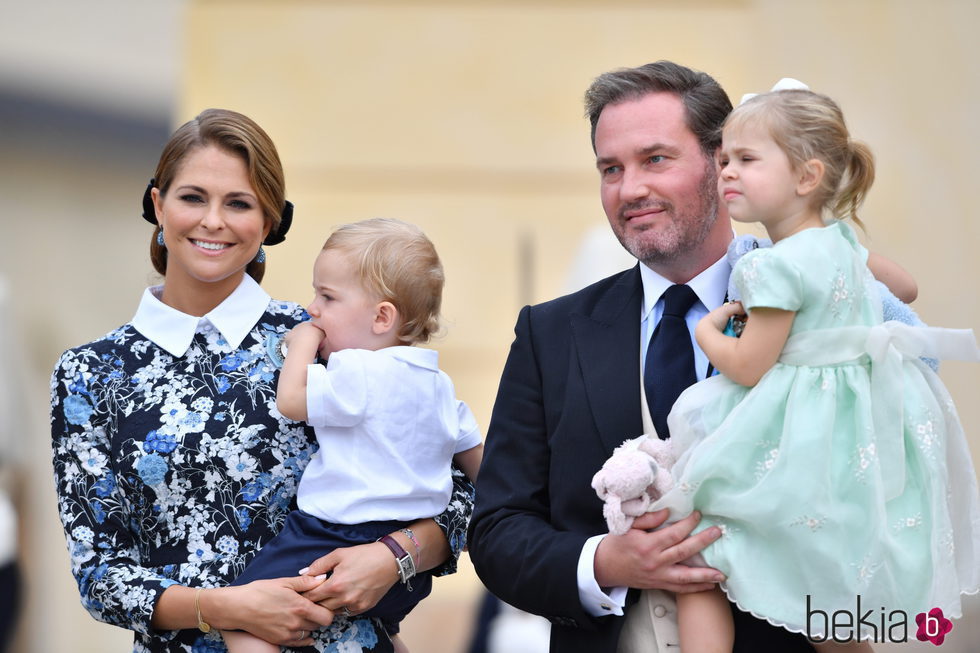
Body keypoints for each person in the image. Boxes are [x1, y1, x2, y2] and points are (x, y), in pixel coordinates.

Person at [467, 61, 918, 653]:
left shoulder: (821, 305)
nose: (629, 189)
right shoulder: (550, 333)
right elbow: (498, 531)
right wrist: (605, 561)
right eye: (611, 168)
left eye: (655, 159)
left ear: (722, 164)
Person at [49, 109, 474, 653]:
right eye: (193, 197)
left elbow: (462, 490)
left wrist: (394, 556)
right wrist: (228, 606)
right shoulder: (91, 374)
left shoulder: (327, 337)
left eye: (239, 203)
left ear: (270, 219)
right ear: (158, 205)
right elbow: (99, 573)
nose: (213, 221)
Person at [643, 84, 980, 651]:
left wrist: (706, 331)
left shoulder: (771, 269)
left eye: (747, 160)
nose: (727, 173)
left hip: (795, 435)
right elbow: (905, 286)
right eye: (724, 160)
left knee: (700, 546)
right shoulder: (842, 241)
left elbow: (749, 366)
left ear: (806, 177)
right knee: (830, 590)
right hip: (852, 443)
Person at [222, 218, 483, 653]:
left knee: (243, 615)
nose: (313, 308)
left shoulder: (358, 369)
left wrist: (301, 343)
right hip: (404, 567)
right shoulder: (439, 384)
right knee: (385, 631)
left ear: (382, 317)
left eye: (327, 296)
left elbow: (291, 400)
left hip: (333, 537)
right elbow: (482, 468)